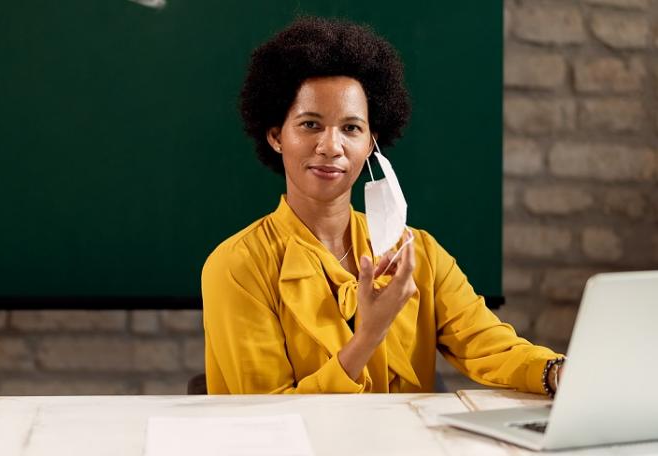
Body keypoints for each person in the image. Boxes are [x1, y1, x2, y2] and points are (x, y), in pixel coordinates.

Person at [201, 17, 564, 395]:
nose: (331, 147)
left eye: (351, 128)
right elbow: (267, 415)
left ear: (371, 142)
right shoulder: (236, 266)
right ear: (277, 136)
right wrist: (368, 337)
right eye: (310, 124)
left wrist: (557, 372)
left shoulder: (418, 254)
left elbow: (491, 346)